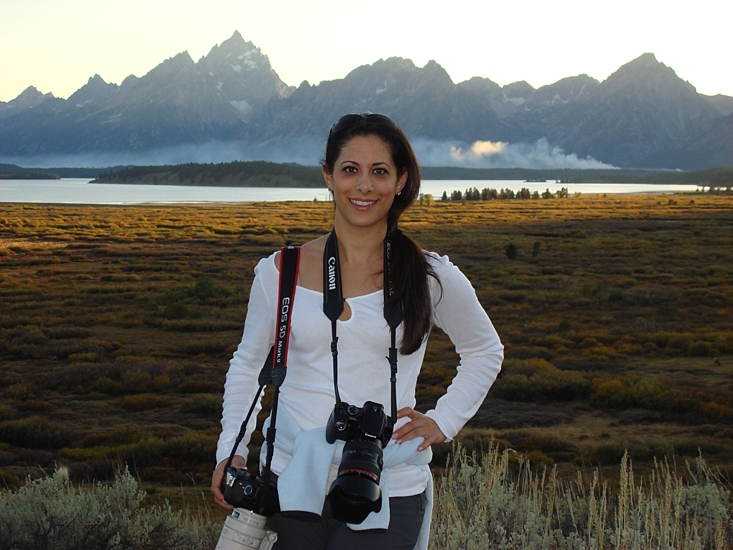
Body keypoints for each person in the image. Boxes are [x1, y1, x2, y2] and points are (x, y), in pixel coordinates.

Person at [211, 113, 504, 550]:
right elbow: (248, 364)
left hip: (388, 482)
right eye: (350, 170)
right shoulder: (282, 271)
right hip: (289, 480)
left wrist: (443, 422)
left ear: (401, 180)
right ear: (328, 177)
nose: (364, 186)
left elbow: (485, 349)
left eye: (379, 171)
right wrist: (230, 450)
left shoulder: (429, 275)